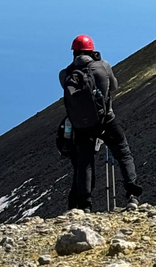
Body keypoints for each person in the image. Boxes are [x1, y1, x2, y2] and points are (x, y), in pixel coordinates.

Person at [59, 35, 143, 212]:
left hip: (81, 126)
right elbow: (113, 87)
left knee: (85, 163)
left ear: (74, 52)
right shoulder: (103, 66)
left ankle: (85, 206)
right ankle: (132, 196)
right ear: (92, 50)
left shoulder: (65, 74)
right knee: (123, 153)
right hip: (106, 121)